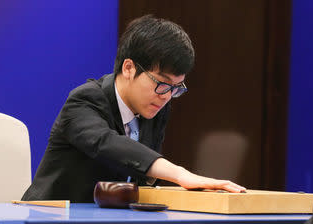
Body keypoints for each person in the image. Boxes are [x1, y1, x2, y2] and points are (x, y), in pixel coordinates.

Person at [22, 15, 245, 203]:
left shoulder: (154, 107)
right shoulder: (84, 100)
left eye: (175, 88)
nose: (166, 96)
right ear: (129, 68)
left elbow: (140, 177)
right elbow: (107, 144)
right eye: (161, 83)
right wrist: (180, 174)